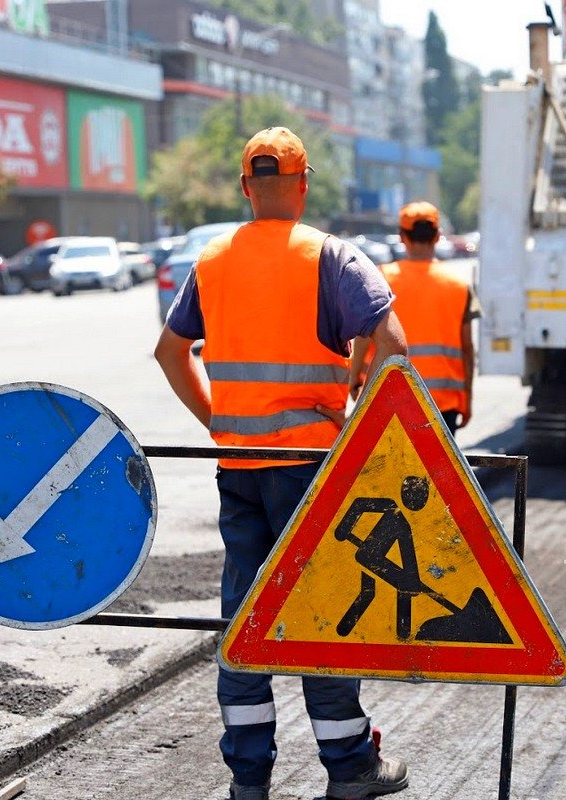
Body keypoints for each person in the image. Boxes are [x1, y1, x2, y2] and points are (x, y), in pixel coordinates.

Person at [154, 127, 410, 800]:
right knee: (322, 613)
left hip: (238, 469)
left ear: (246, 187)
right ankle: (349, 767)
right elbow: (393, 342)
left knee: (246, 616)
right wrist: (362, 430)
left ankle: (249, 778)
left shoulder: (211, 261)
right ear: (303, 185)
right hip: (311, 471)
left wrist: (219, 422)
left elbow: (169, 353)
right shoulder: (332, 256)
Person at [350, 201, 479, 433]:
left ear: (402, 237)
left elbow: (363, 335)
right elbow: (467, 349)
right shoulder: (459, 285)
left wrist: (354, 377)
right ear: (438, 236)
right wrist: (467, 399)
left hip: (388, 397)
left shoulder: (381, 279)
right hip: (441, 404)